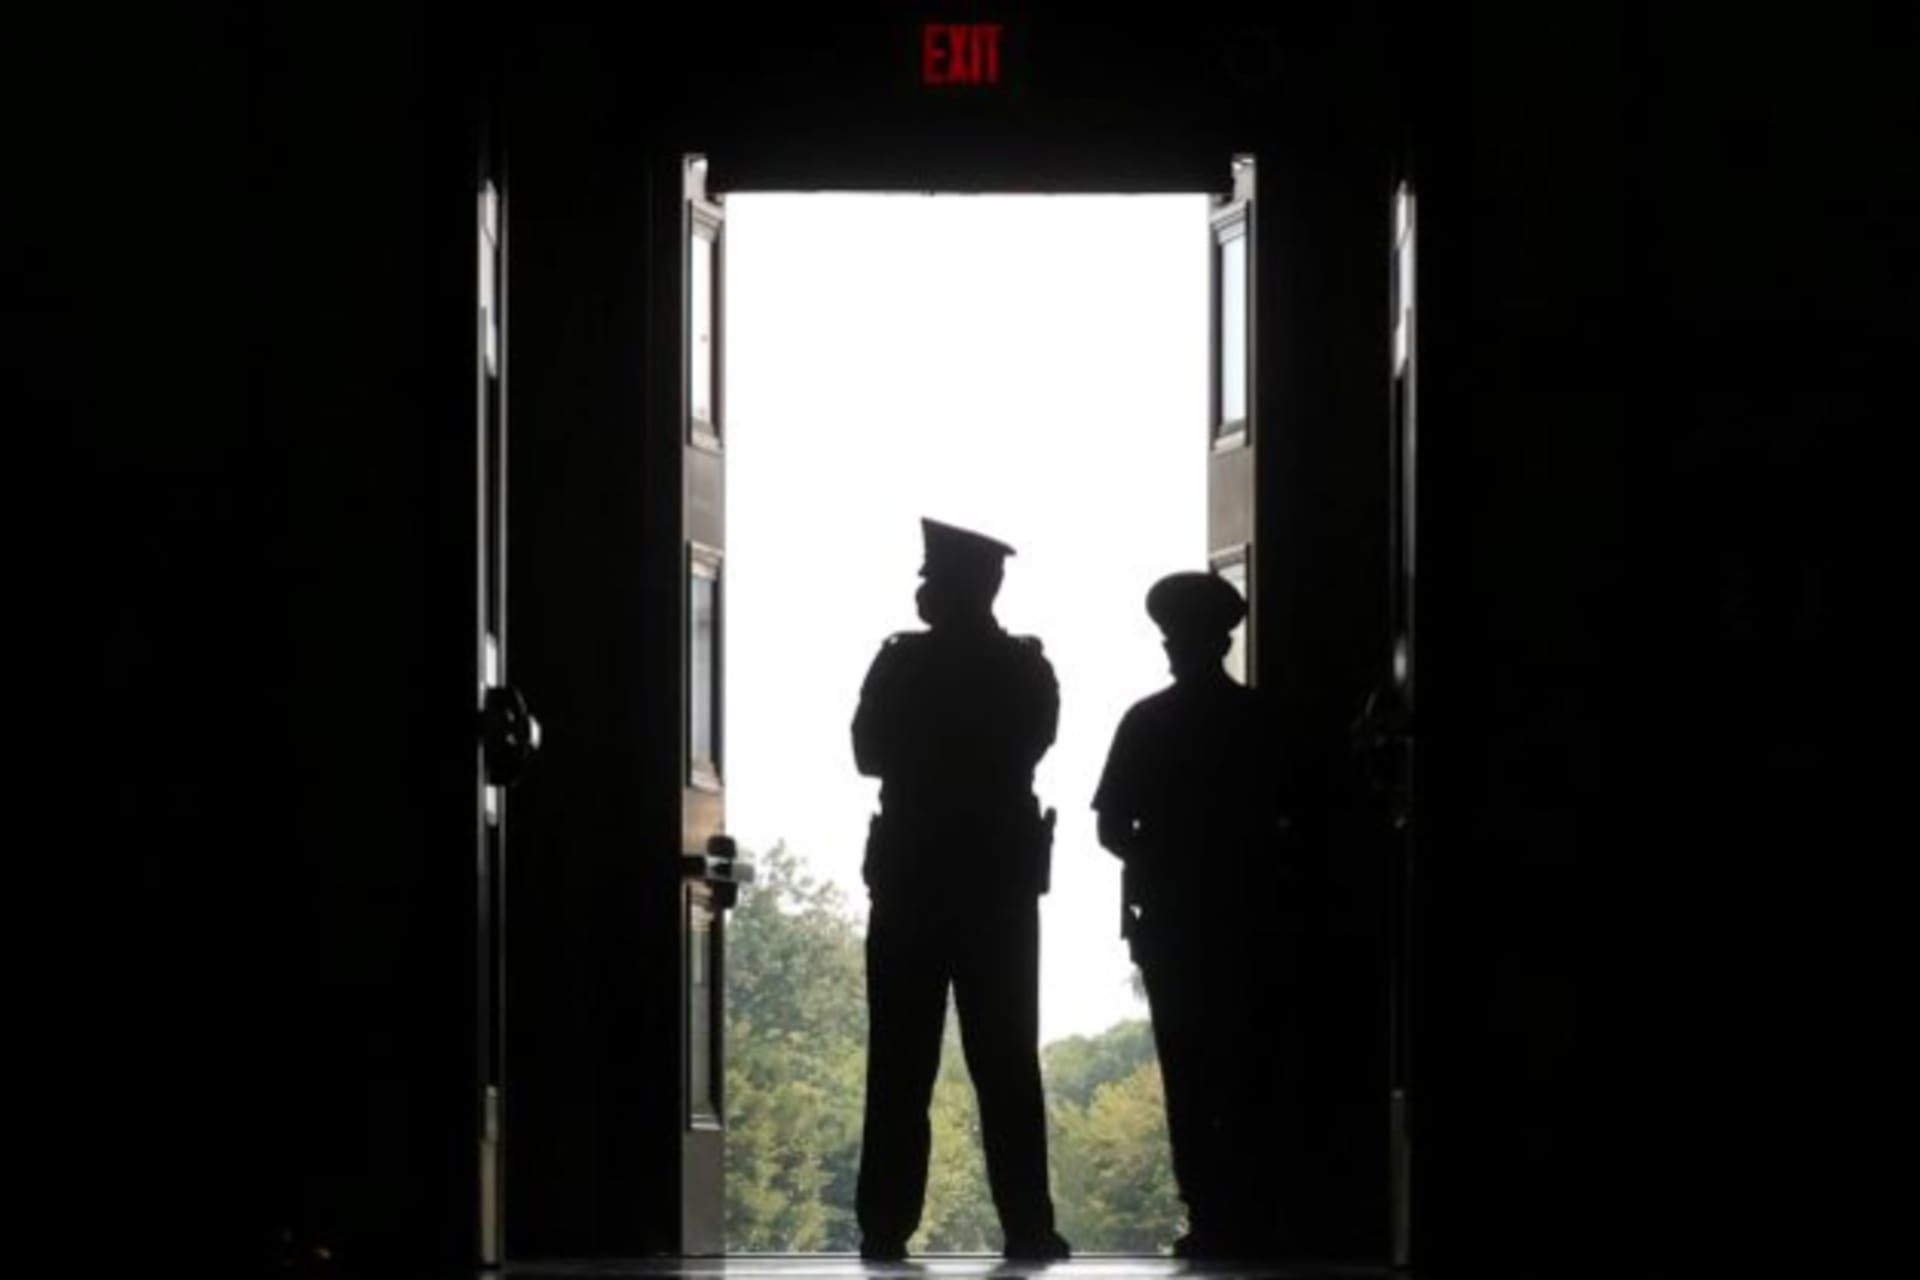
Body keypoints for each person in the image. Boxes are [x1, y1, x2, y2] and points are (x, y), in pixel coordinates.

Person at [851, 518, 1072, 1263]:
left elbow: (866, 754)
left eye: (930, 578)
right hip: (997, 879)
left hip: (912, 870)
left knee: (900, 1058)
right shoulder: (1025, 667)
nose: (921, 589)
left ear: (948, 589)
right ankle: (1028, 1224)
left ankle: (884, 1224)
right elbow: (1036, 742)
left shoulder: (900, 663)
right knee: (1007, 1056)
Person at [1091, 570, 1291, 1259]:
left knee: (1189, 1066)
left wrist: (1165, 855)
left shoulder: (1147, 721)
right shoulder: (1266, 720)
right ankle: (1250, 1207)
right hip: (1251, 914)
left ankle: (1208, 1209)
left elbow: (1112, 826)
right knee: (1249, 1062)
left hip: (1173, 916)